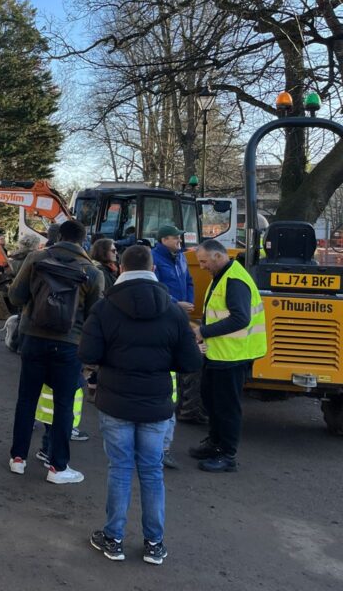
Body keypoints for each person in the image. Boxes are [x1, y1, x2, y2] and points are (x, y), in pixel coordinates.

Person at [79, 244, 202, 565]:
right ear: (153, 269)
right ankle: (154, 544)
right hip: (156, 404)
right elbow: (191, 362)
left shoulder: (104, 309)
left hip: (115, 402)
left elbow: (88, 354)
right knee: (152, 472)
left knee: (120, 469)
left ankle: (113, 538)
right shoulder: (174, 311)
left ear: (120, 268)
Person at [7, 219, 104, 484]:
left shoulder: (36, 259)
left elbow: (15, 296)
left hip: (33, 337)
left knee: (27, 399)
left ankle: (18, 458)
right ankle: (57, 467)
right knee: (64, 404)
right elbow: (94, 315)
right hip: (69, 343)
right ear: (83, 240)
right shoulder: (92, 272)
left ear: (58, 236)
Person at [190, 239, 266, 473]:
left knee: (227, 406)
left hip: (232, 356)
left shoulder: (234, 280)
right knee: (212, 400)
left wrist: (203, 331)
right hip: (220, 353)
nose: (202, 266)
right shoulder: (223, 275)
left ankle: (227, 454)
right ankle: (215, 443)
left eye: (204, 261)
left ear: (217, 256)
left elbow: (240, 318)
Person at [152, 225, 196, 469]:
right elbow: (156, 288)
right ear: (163, 239)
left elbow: (188, 281)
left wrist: (188, 302)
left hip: (180, 314)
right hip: (168, 314)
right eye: (174, 237)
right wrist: (175, 304)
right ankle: (160, 448)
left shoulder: (180, 258)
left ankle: (161, 446)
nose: (179, 240)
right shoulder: (155, 259)